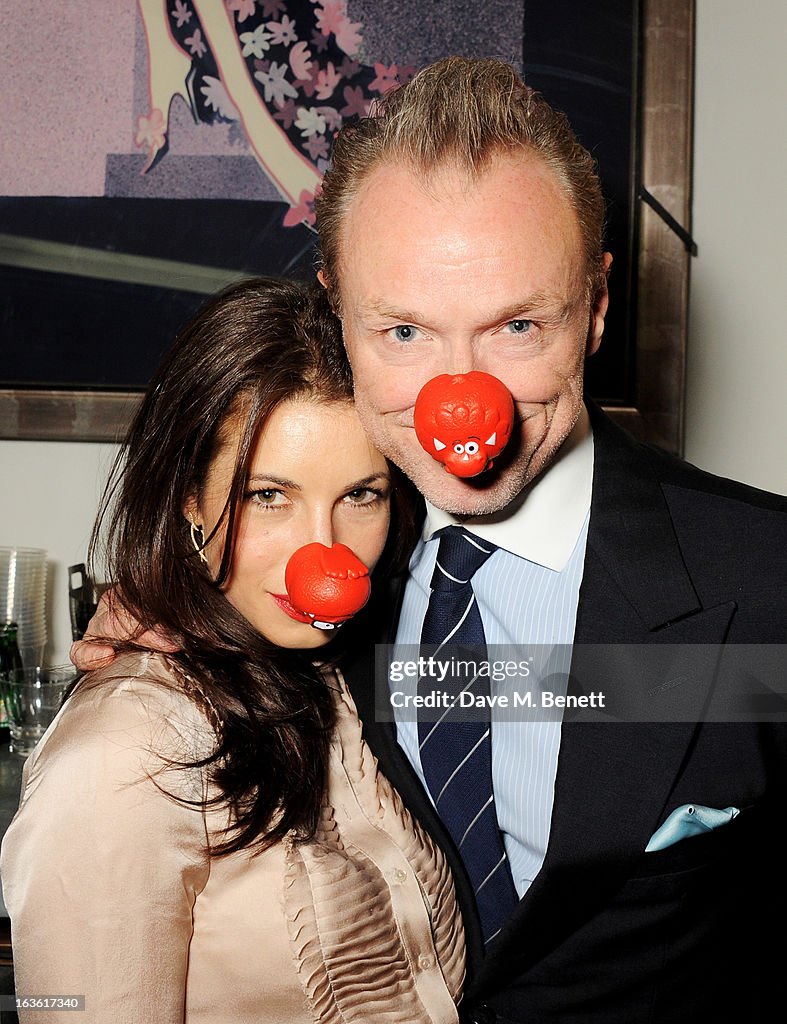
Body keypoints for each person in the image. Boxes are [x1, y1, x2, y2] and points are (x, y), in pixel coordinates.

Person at [72, 58, 787, 1022]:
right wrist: (178, 604)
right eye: (403, 332)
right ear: (336, 312)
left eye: (517, 326)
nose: (466, 405)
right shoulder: (313, 578)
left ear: (598, 307)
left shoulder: (766, 581)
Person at [0, 277, 465, 1023]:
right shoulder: (122, 755)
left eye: (361, 495)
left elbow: (647, 691)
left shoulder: (352, 670)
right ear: (190, 498)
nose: (323, 555)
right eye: (266, 496)